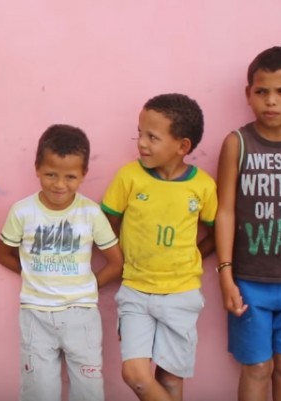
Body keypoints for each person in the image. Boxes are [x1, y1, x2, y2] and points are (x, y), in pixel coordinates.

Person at [101, 93, 217, 401]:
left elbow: (217, 232)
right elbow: (105, 225)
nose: (141, 143)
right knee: (136, 375)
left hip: (182, 294)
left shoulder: (202, 186)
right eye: (140, 133)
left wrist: (193, 256)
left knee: (170, 381)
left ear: (182, 147)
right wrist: (118, 259)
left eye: (152, 137)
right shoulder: (129, 177)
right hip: (136, 291)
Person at [0, 124, 124, 401]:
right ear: (37, 168)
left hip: (82, 315)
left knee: (88, 390)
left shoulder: (90, 213)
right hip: (35, 314)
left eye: (70, 177)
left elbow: (116, 263)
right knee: (38, 390)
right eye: (51, 174)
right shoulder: (22, 211)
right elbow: (3, 253)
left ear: (83, 175)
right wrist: (31, 275)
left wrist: (89, 285)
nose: (59, 184)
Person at [215, 46, 281, 401]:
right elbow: (225, 211)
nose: (271, 101)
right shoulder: (237, 143)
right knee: (257, 368)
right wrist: (224, 272)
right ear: (248, 94)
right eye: (261, 91)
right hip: (250, 281)